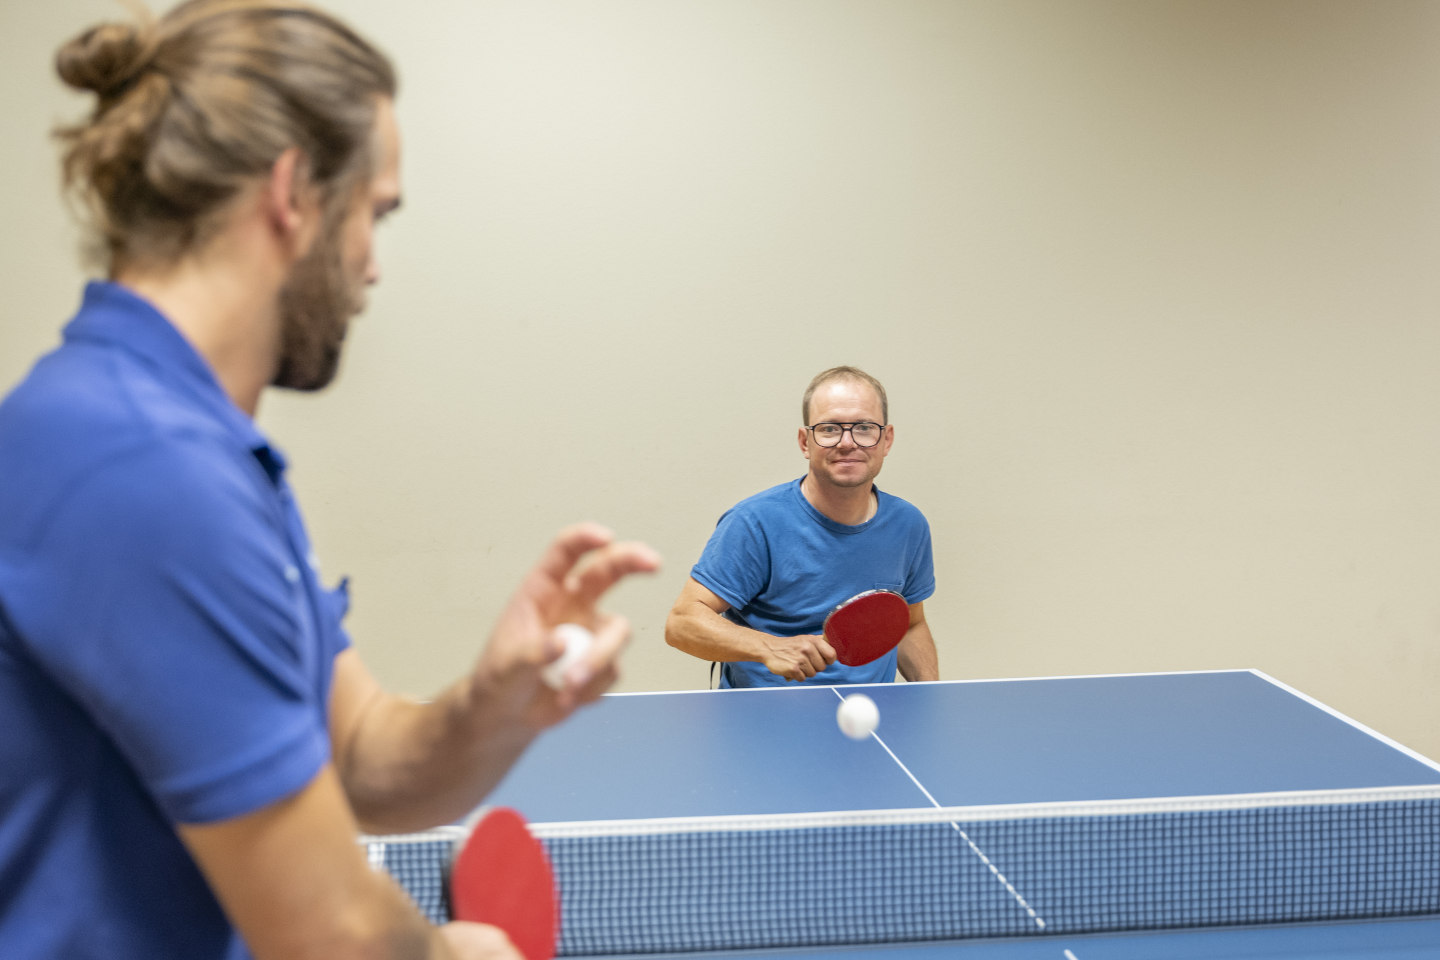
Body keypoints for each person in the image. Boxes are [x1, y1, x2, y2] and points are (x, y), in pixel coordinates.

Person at [0, 3, 660, 959]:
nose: (372, 267)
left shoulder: (194, 443)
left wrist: (493, 707)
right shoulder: (140, 465)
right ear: (293, 192)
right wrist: (460, 951)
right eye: (374, 213)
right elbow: (333, 934)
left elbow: (361, 758)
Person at [665, 366, 938, 687]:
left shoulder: (908, 525)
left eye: (864, 428)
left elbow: (909, 625)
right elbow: (681, 624)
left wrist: (930, 699)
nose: (848, 442)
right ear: (805, 442)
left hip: (870, 713)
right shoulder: (754, 523)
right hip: (765, 718)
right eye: (829, 429)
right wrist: (768, 647)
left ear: (886, 439)